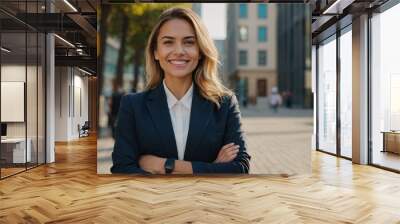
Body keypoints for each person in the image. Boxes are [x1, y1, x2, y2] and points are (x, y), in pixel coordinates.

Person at [110, 7, 251, 174]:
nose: (179, 51)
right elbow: (122, 170)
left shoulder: (225, 104)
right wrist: (214, 167)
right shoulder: (132, 105)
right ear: (156, 52)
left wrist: (166, 166)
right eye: (168, 42)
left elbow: (240, 168)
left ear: (200, 51)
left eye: (189, 42)